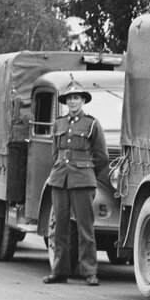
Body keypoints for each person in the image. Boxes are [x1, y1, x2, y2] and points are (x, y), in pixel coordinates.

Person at [41, 80, 108, 286]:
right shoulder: (59, 123)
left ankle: (89, 272)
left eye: (76, 98)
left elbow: (102, 157)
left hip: (82, 180)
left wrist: (86, 171)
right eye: (69, 98)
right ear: (65, 102)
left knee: (85, 229)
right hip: (60, 179)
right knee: (59, 227)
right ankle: (59, 271)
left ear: (83, 101)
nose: (72, 102)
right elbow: (55, 153)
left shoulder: (92, 124)